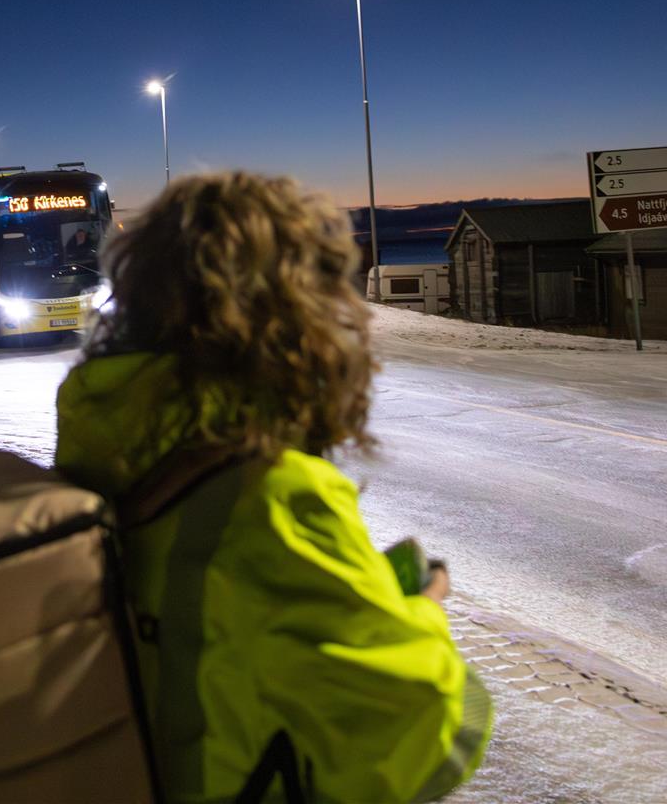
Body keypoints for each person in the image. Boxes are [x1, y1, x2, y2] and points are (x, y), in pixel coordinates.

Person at [56, 171, 491, 803]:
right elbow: (417, 736)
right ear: (296, 314)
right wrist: (425, 610)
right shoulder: (270, 494)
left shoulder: (108, 442)